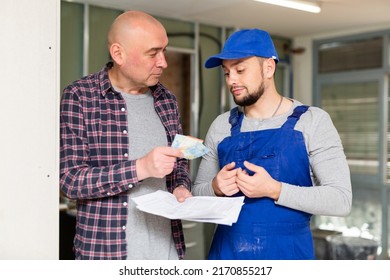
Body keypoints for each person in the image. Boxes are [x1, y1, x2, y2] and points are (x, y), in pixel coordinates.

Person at [192, 28, 352, 260]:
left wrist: (274, 189)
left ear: (268, 67)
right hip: (227, 256)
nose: (231, 80)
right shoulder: (221, 126)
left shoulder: (312, 121)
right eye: (226, 73)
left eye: (240, 70)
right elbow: (196, 195)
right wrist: (215, 188)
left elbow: (340, 200)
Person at [60, 10, 192, 260]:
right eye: (153, 53)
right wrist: (141, 168)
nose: (163, 62)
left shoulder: (167, 101)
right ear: (118, 53)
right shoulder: (80, 97)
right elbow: (70, 180)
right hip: (107, 255)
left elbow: (180, 161)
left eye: (164, 51)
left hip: (168, 254)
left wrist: (180, 187)